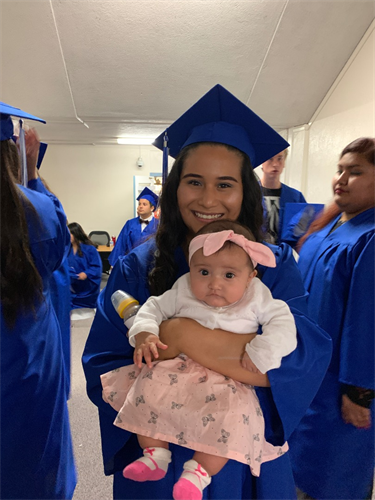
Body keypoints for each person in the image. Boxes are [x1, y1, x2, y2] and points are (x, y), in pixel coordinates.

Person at [82, 84, 332, 500]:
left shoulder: (272, 264)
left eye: (225, 185)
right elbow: (104, 367)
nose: (208, 199)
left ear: (244, 191)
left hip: (237, 452)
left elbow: (293, 365)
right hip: (160, 444)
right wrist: (235, 356)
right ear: (175, 187)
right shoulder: (138, 266)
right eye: (194, 181)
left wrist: (178, 335)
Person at [101, 220, 297, 498]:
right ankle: (156, 455)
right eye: (203, 271)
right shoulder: (183, 288)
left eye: (229, 275)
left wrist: (263, 351)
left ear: (251, 276)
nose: (214, 283)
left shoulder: (258, 297)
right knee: (146, 392)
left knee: (231, 420)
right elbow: (153, 307)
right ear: (191, 268)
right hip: (177, 369)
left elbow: (284, 325)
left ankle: (198, 474)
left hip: (228, 378)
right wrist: (144, 332)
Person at [289, 137, 375, 500]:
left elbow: (367, 317)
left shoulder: (369, 237)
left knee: (333, 478)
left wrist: (358, 391)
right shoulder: (327, 228)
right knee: (296, 471)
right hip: (304, 374)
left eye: (356, 172)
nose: (341, 178)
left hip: (339, 386)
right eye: (340, 169)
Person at [0, 104, 76, 499]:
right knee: (33, 460)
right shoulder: (38, 210)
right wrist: (32, 168)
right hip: (27, 358)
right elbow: (58, 244)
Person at [260, 149, 306, 245]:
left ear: (284, 162)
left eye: (280, 159)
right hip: (252, 255)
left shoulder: (295, 197)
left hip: (283, 256)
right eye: (270, 159)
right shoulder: (248, 193)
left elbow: (303, 233)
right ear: (261, 162)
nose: (275, 164)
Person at [108, 187, 159, 267]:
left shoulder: (158, 224)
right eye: (139, 204)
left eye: (144, 204)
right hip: (131, 264)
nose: (140, 206)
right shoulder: (130, 223)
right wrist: (115, 263)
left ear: (152, 208)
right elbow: (121, 243)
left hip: (151, 265)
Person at [67, 222, 103, 309]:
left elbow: (96, 267)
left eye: (70, 234)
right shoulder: (67, 249)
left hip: (86, 286)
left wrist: (86, 274)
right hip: (72, 285)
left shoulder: (90, 249)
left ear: (76, 234)